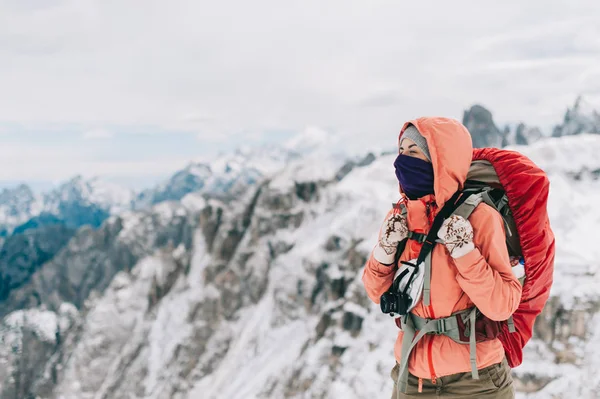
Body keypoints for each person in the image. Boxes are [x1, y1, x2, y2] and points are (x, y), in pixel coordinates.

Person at [362, 118, 523, 398]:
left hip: (477, 381)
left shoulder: (480, 218)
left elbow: (502, 304)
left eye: (414, 151)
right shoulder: (400, 216)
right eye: (401, 150)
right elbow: (376, 293)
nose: (403, 159)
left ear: (441, 159)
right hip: (412, 379)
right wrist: (385, 250)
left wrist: (464, 252)